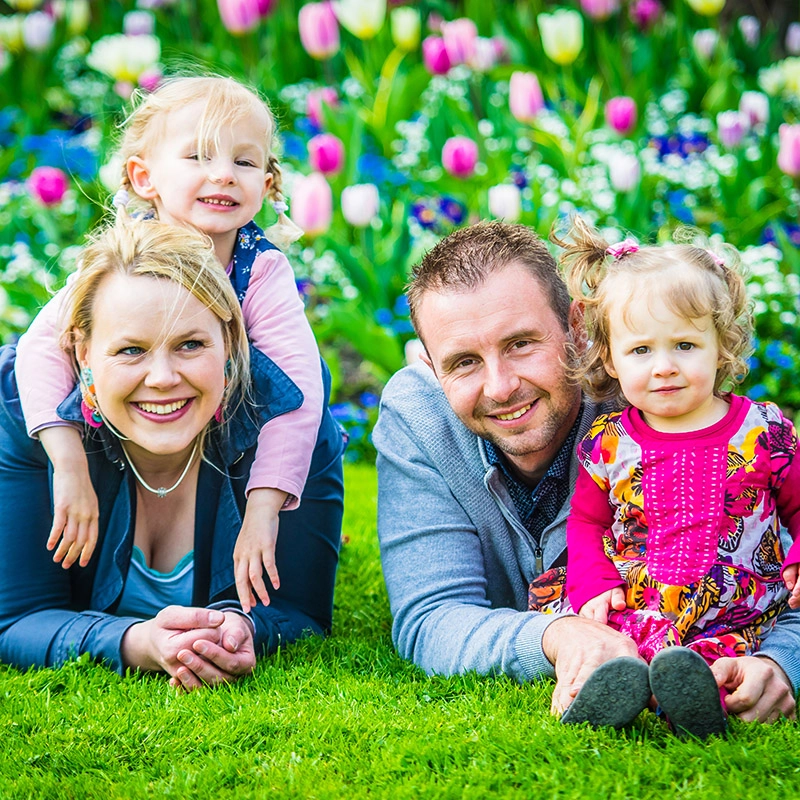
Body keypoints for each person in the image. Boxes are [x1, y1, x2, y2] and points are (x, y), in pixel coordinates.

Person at [373, 220, 799, 728]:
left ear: (578, 328)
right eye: (463, 362)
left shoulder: (652, 388)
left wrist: (783, 659)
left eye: (521, 344)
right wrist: (559, 636)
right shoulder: (418, 413)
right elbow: (431, 617)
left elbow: (764, 548)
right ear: (430, 365)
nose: (502, 386)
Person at [15, 75, 321, 613]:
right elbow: (41, 348)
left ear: (268, 183)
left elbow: (298, 393)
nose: (224, 174)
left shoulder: (260, 271)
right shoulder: (121, 263)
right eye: (199, 156)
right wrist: (68, 465)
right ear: (144, 176)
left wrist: (264, 509)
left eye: (246, 163)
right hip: (129, 431)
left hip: (222, 432)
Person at [0, 220, 345, 691]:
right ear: (83, 354)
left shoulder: (289, 427)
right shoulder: (23, 421)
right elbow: (17, 618)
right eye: (130, 350)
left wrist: (244, 628)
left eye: (190, 344)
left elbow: (300, 612)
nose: (162, 377)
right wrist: (135, 642)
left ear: (228, 342)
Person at [526, 218, 800, 736]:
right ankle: (612, 688)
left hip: (732, 610)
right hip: (637, 600)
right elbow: (586, 523)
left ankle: (693, 699)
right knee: (612, 643)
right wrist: (594, 583)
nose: (664, 367)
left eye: (685, 346)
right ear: (609, 357)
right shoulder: (609, 441)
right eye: (641, 351)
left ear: (723, 344)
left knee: (713, 661)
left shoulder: (763, 431)